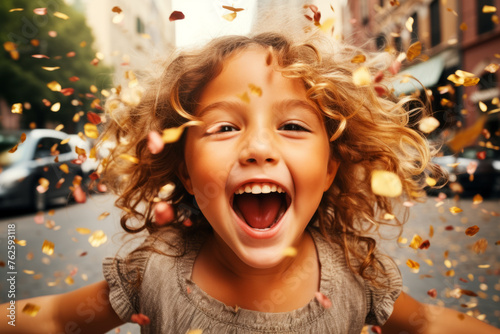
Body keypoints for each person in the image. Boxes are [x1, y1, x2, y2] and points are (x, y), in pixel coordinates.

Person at [2, 26, 499, 334]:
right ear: (188, 174)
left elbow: (429, 323)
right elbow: (50, 320)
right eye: (224, 127)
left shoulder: (356, 276)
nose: (259, 147)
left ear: (330, 169)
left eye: (292, 126)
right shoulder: (151, 272)